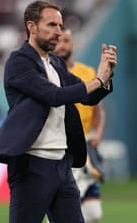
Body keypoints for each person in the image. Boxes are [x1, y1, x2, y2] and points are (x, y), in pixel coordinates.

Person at [0, 0, 117, 223]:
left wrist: (106, 76)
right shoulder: (19, 61)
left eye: (60, 25)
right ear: (31, 26)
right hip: (32, 165)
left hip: (62, 165)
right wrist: (97, 80)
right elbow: (53, 96)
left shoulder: (56, 63)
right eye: (52, 25)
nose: (59, 31)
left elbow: (89, 96)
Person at [55, 29, 105, 223]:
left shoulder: (87, 72)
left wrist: (98, 132)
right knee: (66, 203)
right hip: (61, 143)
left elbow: (98, 109)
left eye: (66, 41)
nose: (62, 46)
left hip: (84, 141)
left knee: (93, 213)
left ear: (72, 44)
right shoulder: (48, 72)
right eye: (58, 41)